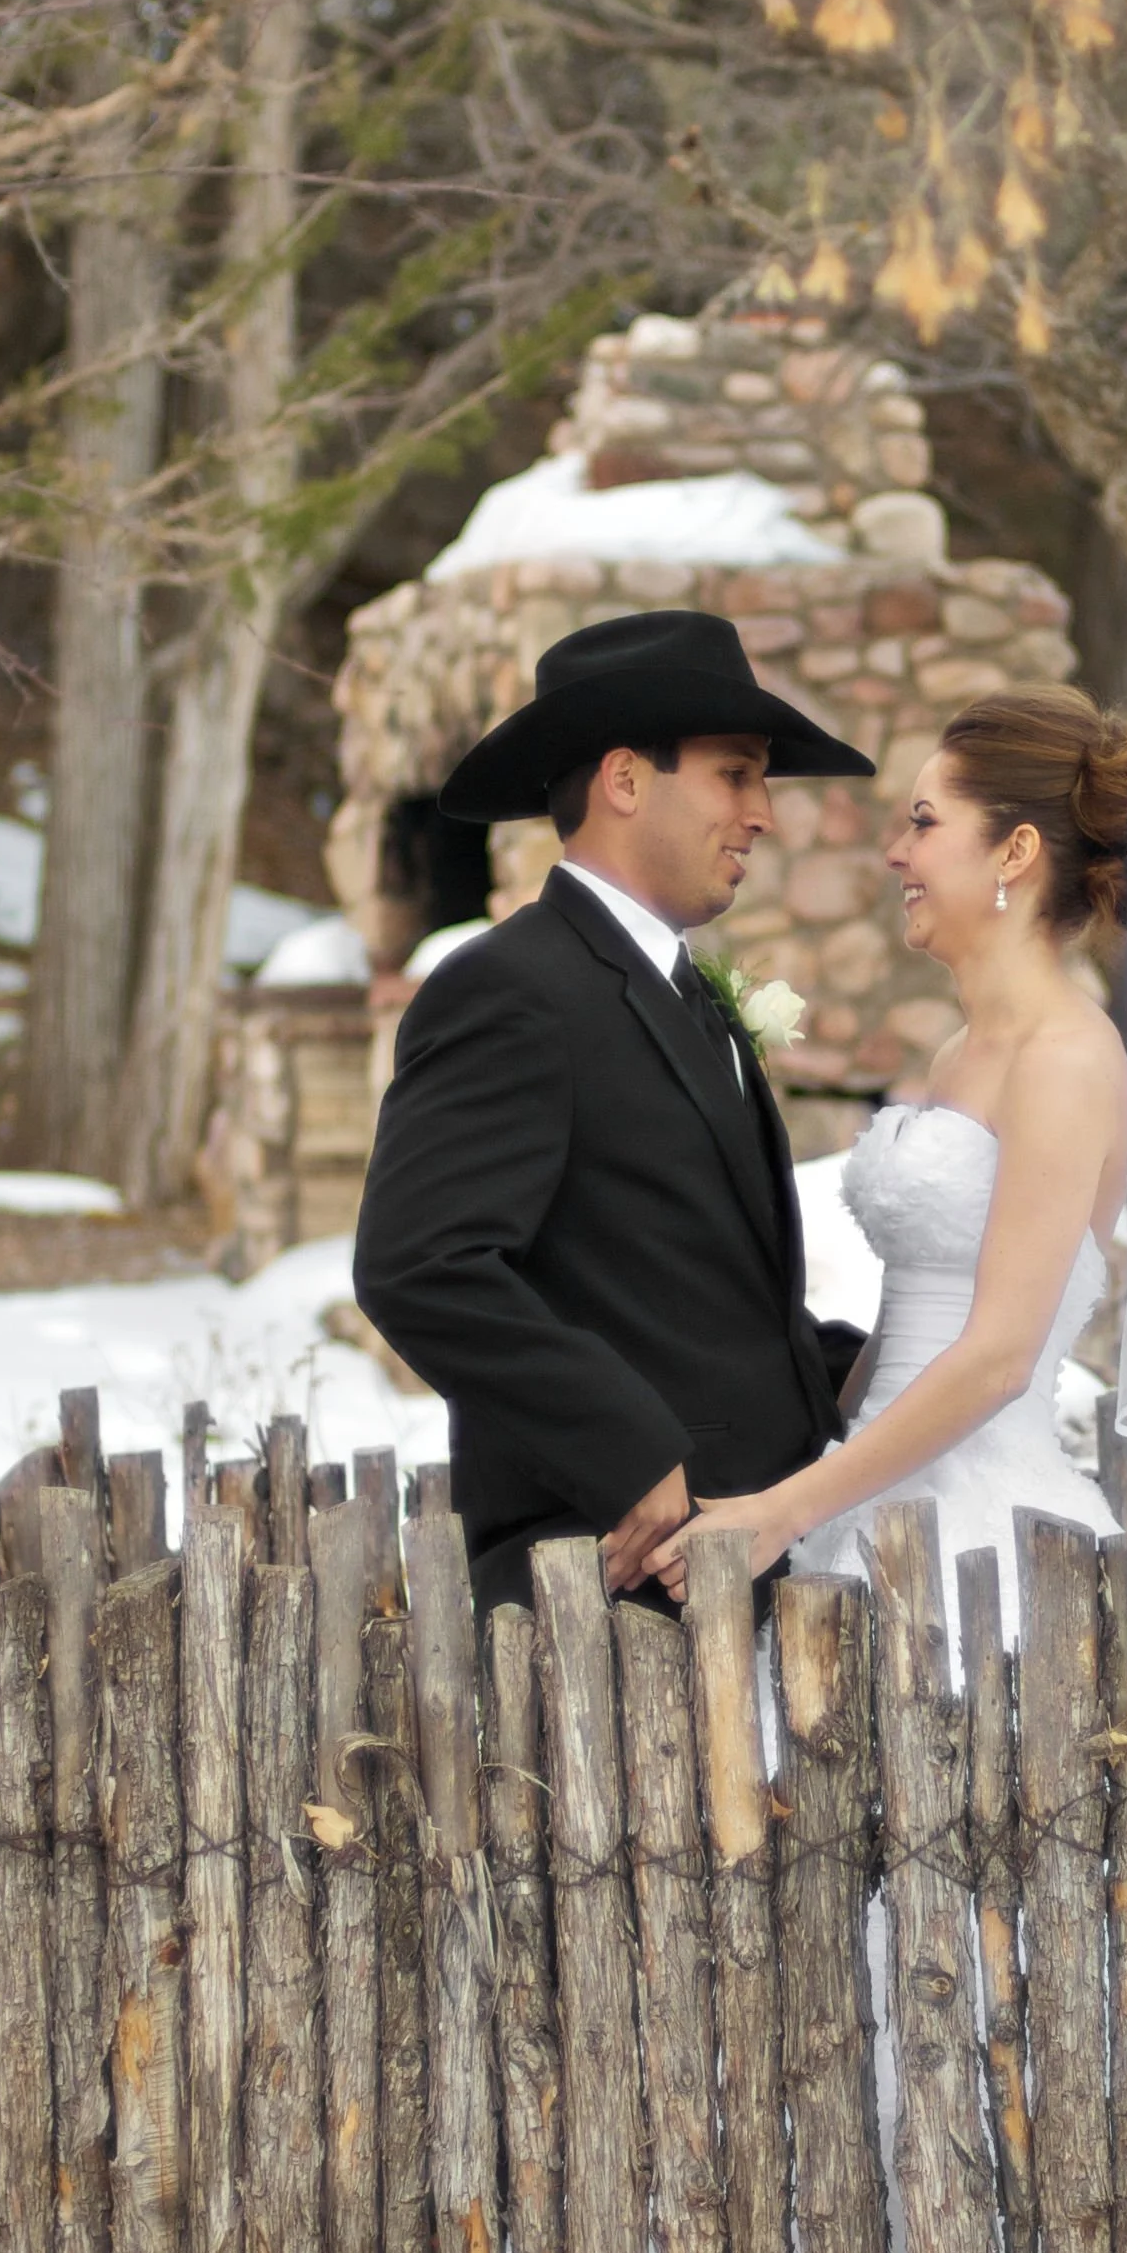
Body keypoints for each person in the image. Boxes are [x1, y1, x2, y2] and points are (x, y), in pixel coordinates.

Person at [655, 686, 1127, 1610]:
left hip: (976, 1531)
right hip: (864, 1488)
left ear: (1014, 852)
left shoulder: (1065, 1060)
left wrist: (784, 1509)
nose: (896, 852)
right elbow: (917, 1315)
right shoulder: (959, 1054)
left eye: (925, 823)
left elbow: (998, 1356)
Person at [352, 610, 875, 1616]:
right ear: (626, 780)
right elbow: (420, 1266)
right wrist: (631, 1451)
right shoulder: (510, 988)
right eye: (737, 772)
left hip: (745, 1566)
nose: (763, 812)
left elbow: (687, 1292)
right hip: (610, 1586)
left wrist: (881, 1377)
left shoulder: (691, 995)